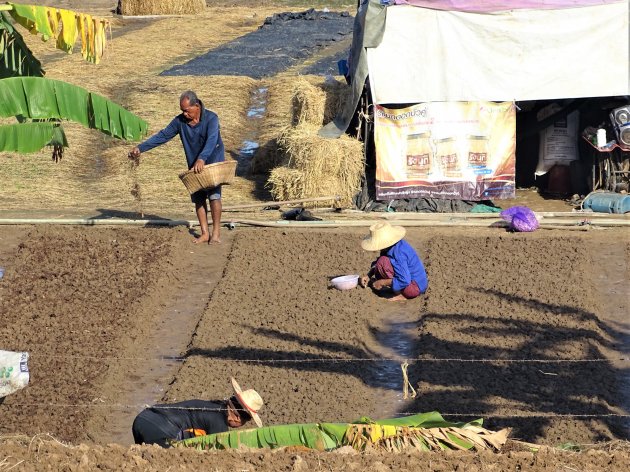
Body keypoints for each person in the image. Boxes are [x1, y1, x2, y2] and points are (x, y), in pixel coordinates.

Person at [129, 90, 225, 244]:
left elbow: (212, 140)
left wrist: (202, 158)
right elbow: (162, 136)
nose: (184, 114)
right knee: (199, 198)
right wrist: (141, 148)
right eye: (182, 111)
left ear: (197, 106)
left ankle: (216, 233)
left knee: (214, 196)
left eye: (187, 110)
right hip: (194, 163)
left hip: (212, 160)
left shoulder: (211, 118)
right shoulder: (179, 122)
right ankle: (205, 233)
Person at [132, 377, 263, 448]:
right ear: (237, 417)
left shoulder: (213, 407)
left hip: (143, 418)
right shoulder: (219, 424)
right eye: (246, 421)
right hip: (159, 429)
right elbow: (219, 452)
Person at [359, 222, 428, 302]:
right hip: (416, 283)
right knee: (381, 261)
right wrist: (368, 275)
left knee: (383, 263)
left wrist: (382, 282)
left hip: (415, 287)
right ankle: (397, 289)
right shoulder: (392, 246)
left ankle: (400, 294)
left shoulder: (399, 253)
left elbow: (404, 280)